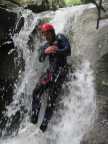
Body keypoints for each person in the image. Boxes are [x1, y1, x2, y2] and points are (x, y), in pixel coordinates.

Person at [30, 23, 71, 132]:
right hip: (51, 71)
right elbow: (40, 58)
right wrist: (45, 51)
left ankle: (44, 124)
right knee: (36, 91)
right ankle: (34, 116)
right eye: (44, 34)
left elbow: (68, 51)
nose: (45, 37)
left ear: (51, 32)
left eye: (46, 34)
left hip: (61, 70)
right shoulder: (46, 45)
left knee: (51, 98)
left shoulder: (60, 38)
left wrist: (56, 50)